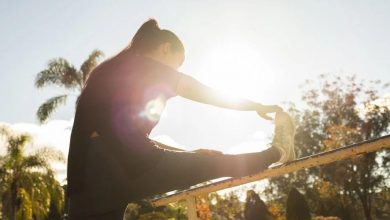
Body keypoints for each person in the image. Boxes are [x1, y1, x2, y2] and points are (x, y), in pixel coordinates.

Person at [66, 19, 296, 220]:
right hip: (125, 167)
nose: (176, 70)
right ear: (166, 48)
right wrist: (255, 106)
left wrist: (188, 155)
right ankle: (279, 151)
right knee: (221, 164)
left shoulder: (110, 72)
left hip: (84, 190)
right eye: (178, 63)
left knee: (206, 163)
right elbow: (205, 93)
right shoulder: (149, 67)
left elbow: (123, 138)